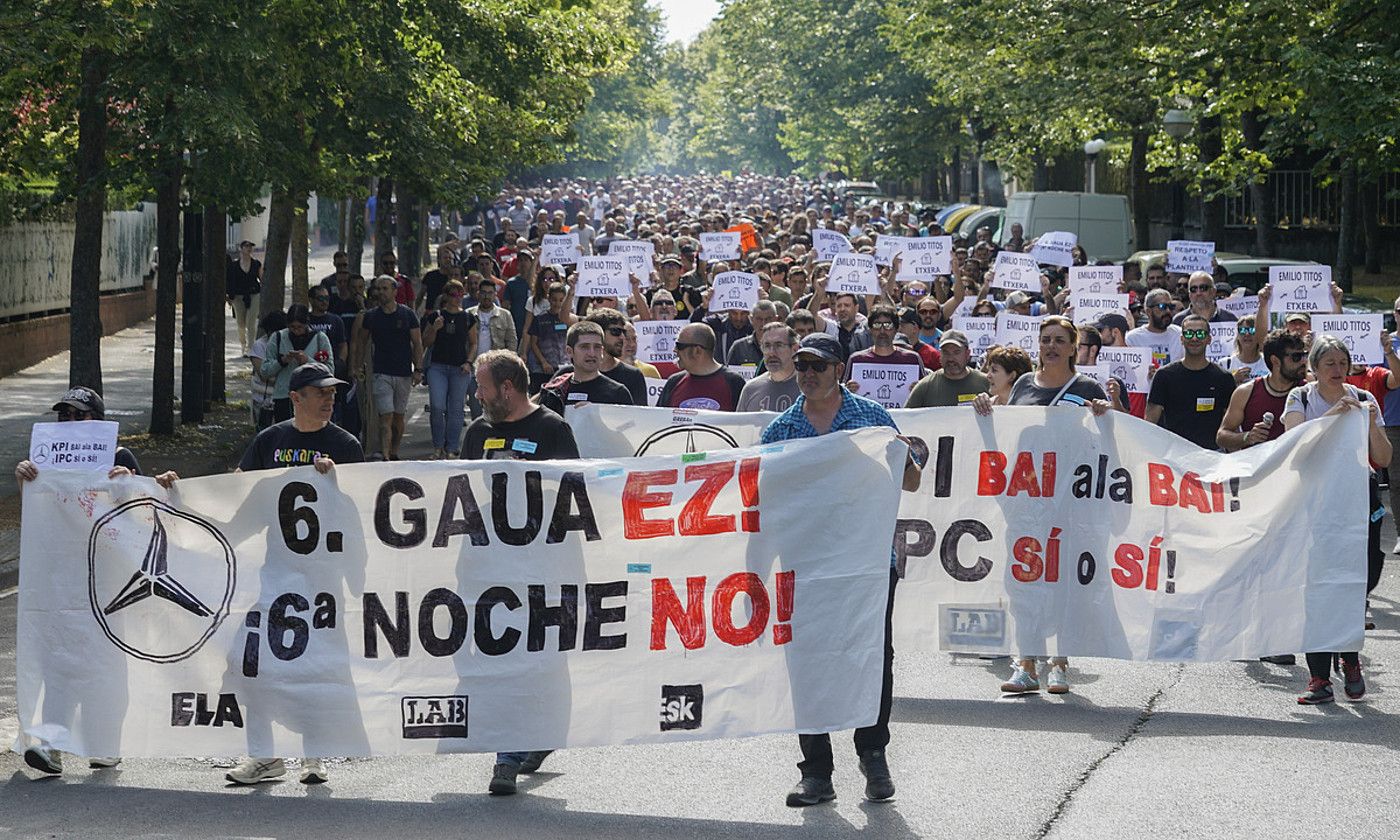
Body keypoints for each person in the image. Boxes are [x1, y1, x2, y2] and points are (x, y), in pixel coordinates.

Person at [760, 333, 924, 807]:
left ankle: (873, 755)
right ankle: (816, 772)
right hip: (806, 565)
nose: (808, 373)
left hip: (867, 563)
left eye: (818, 365)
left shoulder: (871, 418)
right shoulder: (781, 431)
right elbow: (765, 501)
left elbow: (909, 481)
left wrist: (905, 450)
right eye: (802, 365)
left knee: (871, 656)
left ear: (839, 370)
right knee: (807, 662)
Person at [15, 388, 177, 776]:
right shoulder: (46, 460)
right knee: (59, 661)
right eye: (64, 415)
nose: (69, 422)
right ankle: (52, 744)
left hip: (107, 579)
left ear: (97, 421)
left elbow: (141, 514)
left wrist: (129, 482)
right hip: (62, 577)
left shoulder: (119, 458)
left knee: (105, 663)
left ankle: (105, 742)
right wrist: (27, 481)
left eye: (78, 415)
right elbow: (41, 513)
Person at [225, 363, 362, 785]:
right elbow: (237, 489)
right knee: (251, 665)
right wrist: (185, 492)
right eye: (320, 392)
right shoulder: (270, 440)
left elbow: (360, 511)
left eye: (333, 392)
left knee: (317, 666)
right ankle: (264, 757)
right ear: (295, 397)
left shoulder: (346, 444)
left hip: (323, 581)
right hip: (275, 575)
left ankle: (315, 756)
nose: (329, 398)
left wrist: (336, 485)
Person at [462, 350, 581, 796]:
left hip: (542, 567)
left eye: (482, 386)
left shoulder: (552, 429)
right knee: (501, 654)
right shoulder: (476, 433)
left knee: (544, 657)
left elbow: (574, 498)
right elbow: (461, 497)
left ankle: (529, 740)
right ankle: (509, 750)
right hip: (489, 568)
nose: (477, 394)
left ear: (506, 388)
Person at [973, 316, 1111, 696]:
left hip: (1070, 507)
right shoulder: (1022, 385)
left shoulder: (1086, 387)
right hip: (1028, 504)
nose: (1050, 346)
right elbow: (1007, 430)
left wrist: (1104, 416)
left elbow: (1108, 444)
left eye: (1059, 340)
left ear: (1073, 347)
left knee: (1064, 582)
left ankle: (1060, 663)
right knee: (1025, 580)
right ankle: (1028, 664)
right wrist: (987, 406)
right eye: (1045, 339)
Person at [1282, 335, 1392, 704]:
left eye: (1342, 364)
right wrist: (1332, 416)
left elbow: (1384, 457)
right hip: (1316, 504)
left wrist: (1373, 422)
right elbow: (1296, 443)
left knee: (1359, 577)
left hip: (1357, 499)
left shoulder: (1364, 398)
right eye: (1328, 364)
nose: (1337, 370)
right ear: (1313, 368)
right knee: (1318, 586)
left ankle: (1349, 656)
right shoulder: (1300, 398)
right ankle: (1319, 678)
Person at [354, 274, 424, 460]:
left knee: (398, 418)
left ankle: (394, 452)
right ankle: (385, 457)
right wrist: (358, 365)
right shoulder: (371, 317)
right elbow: (361, 342)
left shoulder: (407, 314)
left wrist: (418, 369)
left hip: (403, 373)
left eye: (385, 289)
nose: (381, 292)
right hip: (380, 373)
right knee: (385, 417)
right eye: (378, 289)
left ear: (395, 291)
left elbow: (417, 343)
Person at [1145, 314, 1237, 450]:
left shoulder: (1223, 378)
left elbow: (1230, 425)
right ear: (1182, 339)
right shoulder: (1164, 376)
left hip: (1212, 455)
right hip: (1174, 455)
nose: (1194, 338)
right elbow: (1150, 423)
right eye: (1189, 334)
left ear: (1209, 339)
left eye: (1200, 334)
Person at [422, 278, 477, 459]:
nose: (457, 298)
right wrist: (435, 329)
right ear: (446, 296)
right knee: (437, 406)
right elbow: (425, 342)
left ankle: (452, 447)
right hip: (438, 367)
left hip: (459, 369)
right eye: (453, 294)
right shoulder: (436, 316)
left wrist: (469, 362)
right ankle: (438, 446)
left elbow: (473, 343)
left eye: (460, 293)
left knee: (456, 408)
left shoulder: (468, 317)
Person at [538, 322, 633, 415]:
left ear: (602, 351)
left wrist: (597, 416)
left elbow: (629, 428)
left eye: (597, 347)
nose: (592, 353)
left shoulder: (618, 393)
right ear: (569, 351)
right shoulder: (554, 391)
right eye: (584, 347)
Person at [261, 304, 334, 424]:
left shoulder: (320, 339)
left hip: (312, 398)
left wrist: (308, 361)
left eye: (299, 327)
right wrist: (282, 361)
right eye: (292, 327)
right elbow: (265, 371)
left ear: (307, 324)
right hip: (284, 397)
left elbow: (330, 371)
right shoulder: (277, 337)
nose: (296, 331)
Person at [657, 323, 748, 410]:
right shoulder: (674, 382)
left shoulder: (734, 383)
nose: (674, 350)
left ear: (697, 351)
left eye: (679, 346)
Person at [846, 304, 926, 401]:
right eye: (877, 325)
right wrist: (847, 391)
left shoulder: (913, 359)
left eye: (888, 325)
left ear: (896, 329)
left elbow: (927, 397)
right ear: (870, 329)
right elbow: (842, 396)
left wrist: (920, 390)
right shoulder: (856, 360)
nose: (882, 330)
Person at [904, 330, 989, 407]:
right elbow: (906, 418)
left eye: (956, 352)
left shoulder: (986, 383)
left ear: (967, 354)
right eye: (946, 352)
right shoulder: (925, 387)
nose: (951, 358)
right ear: (940, 355)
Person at [521, 282, 576, 392]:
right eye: (554, 299)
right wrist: (543, 362)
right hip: (543, 369)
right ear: (548, 298)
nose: (557, 303)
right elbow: (533, 343)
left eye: (561, 300)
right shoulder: (539, 319)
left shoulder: (568, 320)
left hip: (564, 367)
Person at [737, 322, 801, 411]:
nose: (772, 352)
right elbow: (740, 424)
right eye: (767, 346)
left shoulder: (806, 389)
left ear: (795, 349)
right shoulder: (751, 389)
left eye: (779, 345)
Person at [1126, 288, 1184, 369]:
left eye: (1170, 306)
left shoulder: (1180, 334)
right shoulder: (1133, 338)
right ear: (1148, 311)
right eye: (1162, 306)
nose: (1167, 311)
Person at [227, 240, 263, 356]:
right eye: (246, 246)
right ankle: (243, 344)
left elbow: (262, 279)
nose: (249, 248)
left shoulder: (256, 264)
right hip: (238, 296)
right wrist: (228, 296)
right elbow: (230, 281)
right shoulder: (233, 265)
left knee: (250, 322)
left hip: (254, 294)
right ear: (241, 249)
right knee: (241, 323)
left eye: (251, 246)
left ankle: (251, 348)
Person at [1172, 271, 1238, 325]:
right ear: (1189, 294)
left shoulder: (1230, 319)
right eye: (1193, 289)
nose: (1198, 293)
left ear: (1213, 291)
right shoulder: (1178, 320)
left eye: (1203, 288)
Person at [1219, 315, 1269, 383]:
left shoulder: (1268, 362)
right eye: (1243, 330)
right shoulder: (1225, 364)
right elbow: (1218, 391)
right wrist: (1232, 380)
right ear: (1237, 336)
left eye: (1252, 330)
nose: (1247, 334)